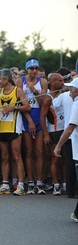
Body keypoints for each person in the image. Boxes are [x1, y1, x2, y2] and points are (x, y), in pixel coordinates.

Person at [0, 69, 31, 196]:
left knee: (16, 155)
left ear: (6, 79)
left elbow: (27, 106)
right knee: (4, 156)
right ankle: (5, 184)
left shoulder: (17, 90)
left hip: (14, 127)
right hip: (2, 127)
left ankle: (20, 185)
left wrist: (14, 107)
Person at [16, 58, 48, 194]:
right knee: (28, 151)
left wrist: (34, 90)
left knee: (39, 152)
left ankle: (39, 182)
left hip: (39, 116)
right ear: (27, 69)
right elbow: (20, 103)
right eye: (32, 68)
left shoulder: (43, 82)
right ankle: (30, 182)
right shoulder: (20, 81)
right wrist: (28, 119)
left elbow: (44, 102)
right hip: (26, 116)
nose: (34, 71)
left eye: (36, 68)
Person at [53, 78, 78, 222]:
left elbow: (69, 128)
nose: (69, 92)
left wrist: (58, 146)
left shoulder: (76, 104)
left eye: (71, 89)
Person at [46, 73, 67, 195]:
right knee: (55, 159)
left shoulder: (65, 95)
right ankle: (56, 185)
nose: (62, 82)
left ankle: (64, 184)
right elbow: (42, 117)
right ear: (53, 83)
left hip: (64, 130)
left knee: (65, 159)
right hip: (53, 131)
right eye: (59, 81)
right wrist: (45, 134)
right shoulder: (47, 97)